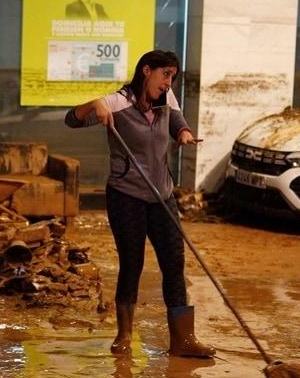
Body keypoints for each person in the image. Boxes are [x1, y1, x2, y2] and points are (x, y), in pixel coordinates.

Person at [65, 49, 214, 359]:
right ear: (147, 71)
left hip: (162, 196)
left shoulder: (165, 99)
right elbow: (71, 120)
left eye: (173, 75)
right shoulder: (117, 103)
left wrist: (184, 133)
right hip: (126, 196)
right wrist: (94, 105)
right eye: (165, 74)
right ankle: (124, 334)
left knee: (174, 263)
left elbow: (176, 119)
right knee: (132, 264)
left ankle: (183, 339)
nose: (169, 81)